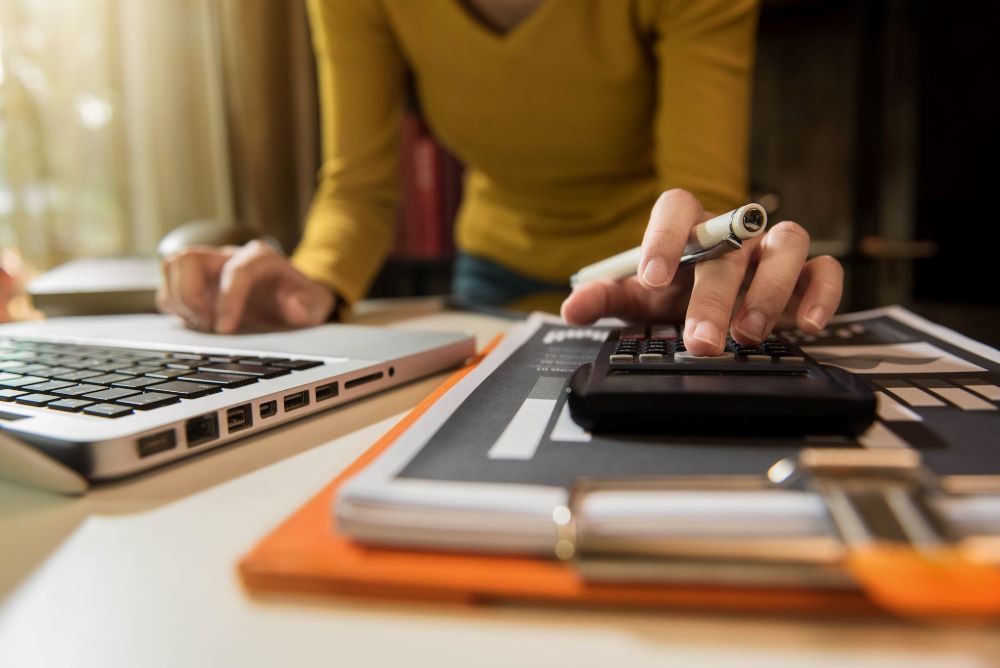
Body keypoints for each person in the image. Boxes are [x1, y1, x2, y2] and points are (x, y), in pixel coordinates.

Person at [158, 0, 843, 357]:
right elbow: (358, 188)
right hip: (488, 277)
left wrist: (714, 278)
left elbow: (703, 192)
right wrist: (310, 280)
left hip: (653, 285)